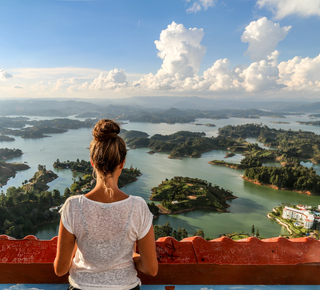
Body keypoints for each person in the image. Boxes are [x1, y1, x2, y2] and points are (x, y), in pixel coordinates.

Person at [54, 119, 158, 290]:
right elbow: (151, 269)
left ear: (92, 163)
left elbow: (60, 270)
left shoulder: (73, 206)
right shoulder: (138, 207)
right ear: (122, 164)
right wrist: (130, 255)